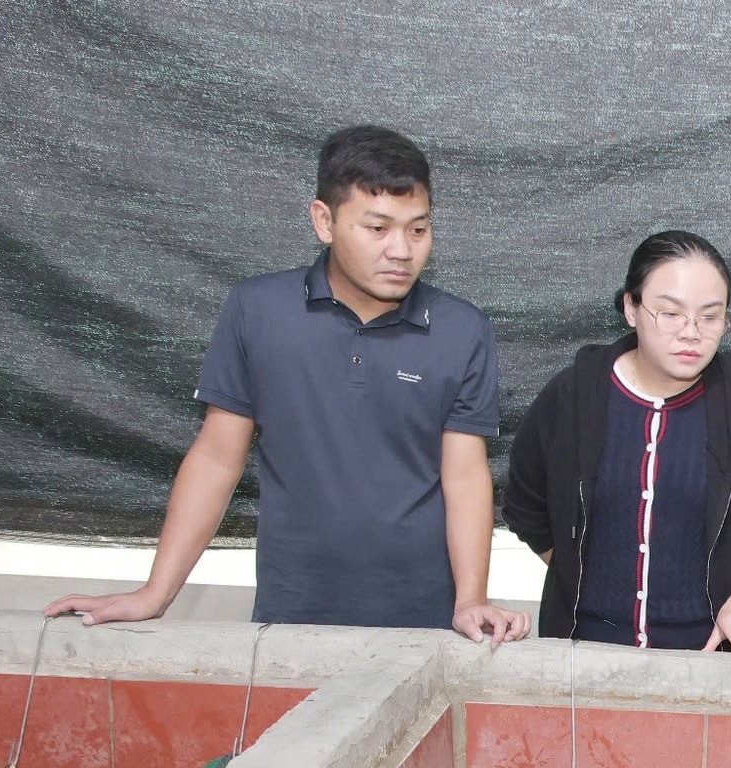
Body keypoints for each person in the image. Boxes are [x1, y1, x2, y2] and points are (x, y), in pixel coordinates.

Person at [48, 126, 526, 642]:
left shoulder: (462, 328)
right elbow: (216, 457)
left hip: (427, 619)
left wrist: (471, 598)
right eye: (377, 228)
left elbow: (464, 475)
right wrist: (155, 592)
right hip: (290, 610)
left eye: (417, 230)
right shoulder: (257, 310)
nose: (401, 251)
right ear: (324, 221)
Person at [502, 232, 731, 652]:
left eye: (710, 317)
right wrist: (579, 574)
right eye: (669, 313)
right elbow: (524, 504)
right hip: (581, 655)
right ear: (631, 308)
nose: (691, 333)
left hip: (704, 657)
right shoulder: (573, 396)